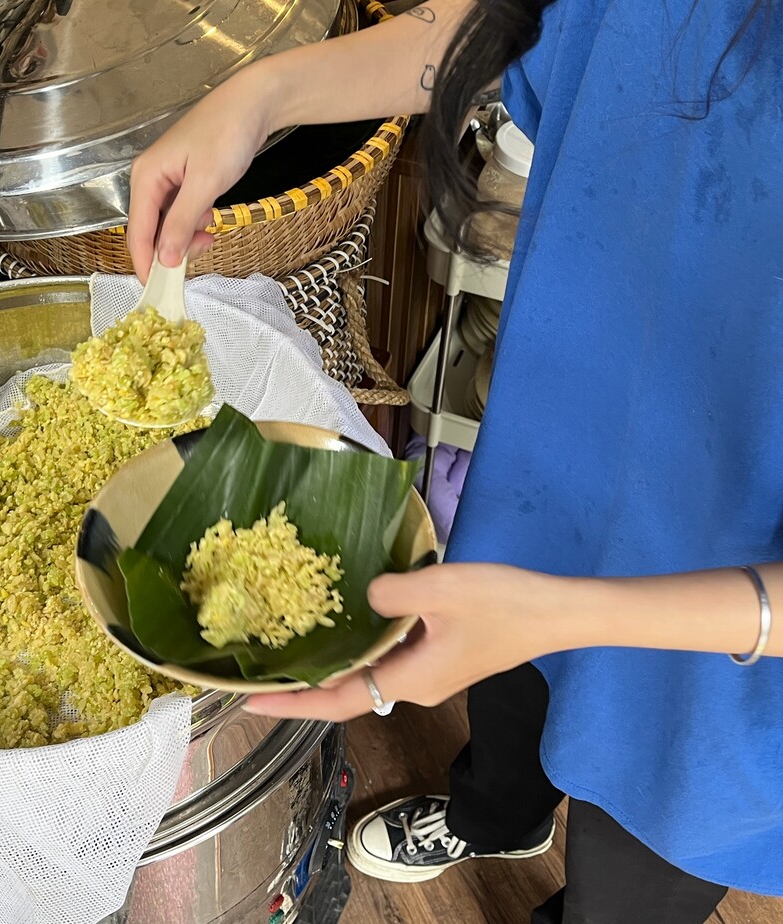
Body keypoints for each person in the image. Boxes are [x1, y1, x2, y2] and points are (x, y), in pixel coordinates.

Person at [126, 1, 783, 921]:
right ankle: (497, 816)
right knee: (508, 720)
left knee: (627, 876)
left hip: (718, 665)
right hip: (550, 490)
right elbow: (522, 27)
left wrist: (565, 612)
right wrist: (264, 95)